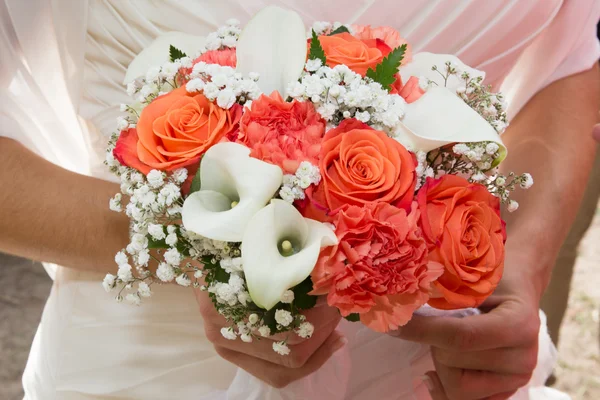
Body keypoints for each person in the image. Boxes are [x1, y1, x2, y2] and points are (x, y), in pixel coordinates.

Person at [1, 1, 598, 399]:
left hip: (430, 367)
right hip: (151, 367)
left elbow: (568, 62)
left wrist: (519, 264)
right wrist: (214, 256)